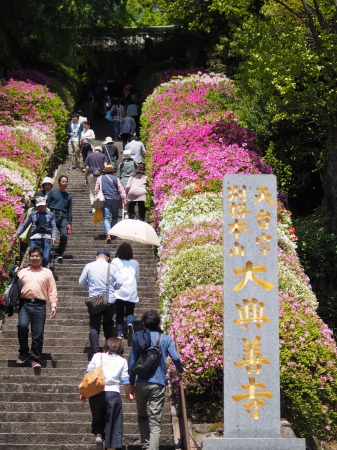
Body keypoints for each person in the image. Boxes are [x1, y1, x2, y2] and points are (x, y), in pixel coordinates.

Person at [128, 310, 184, 450]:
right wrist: (181, 370)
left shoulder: (136, 338)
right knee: (155, 420)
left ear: (143, 324)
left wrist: (131, 384)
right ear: (158, 323)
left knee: (142, 416)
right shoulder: (166, 339)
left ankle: (146, 446)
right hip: (158, 383)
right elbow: (176, 358)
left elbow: (131, 363)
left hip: (141, 383)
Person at [80, 337, 133, 450]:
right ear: (120, 347)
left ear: (106, 345)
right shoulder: (122, 361)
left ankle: (98, 434)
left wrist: (84, 392)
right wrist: (128, 394)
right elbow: (125, 380)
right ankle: (111, 447)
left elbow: (88, 374)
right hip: (113, 394)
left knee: (97, 416)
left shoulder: (97, 356)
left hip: (96, 393)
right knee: (113, 423)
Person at [16, 246, 57, 368]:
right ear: (29, 258)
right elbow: (14, 288)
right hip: (25, 304)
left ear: (41, 258)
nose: (34, 258)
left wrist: (53, 305)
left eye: (37, 256)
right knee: (22, 326)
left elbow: (52, 290)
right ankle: (23, 353)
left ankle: (35, 358)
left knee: (38, 334)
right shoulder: (22, 272)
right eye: (32, 256)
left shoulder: (47, 272)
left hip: (40, 305)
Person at [79, 249, 116, 358]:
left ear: (97, 257)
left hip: (95, 301)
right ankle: (110, 349)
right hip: (109, 300)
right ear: (108, 258)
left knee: (94, 326)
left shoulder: (89, 266)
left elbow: (81, 283)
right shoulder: (112, 267)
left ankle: (95, 352)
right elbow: (119, 284)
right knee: (108, 323)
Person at [14, 197, 57, 267]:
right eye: (39, 206)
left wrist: (54, 236)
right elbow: (24, 225)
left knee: (45, 258)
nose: (41, 207)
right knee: (33, 258)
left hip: (46, 238)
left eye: (42, 205)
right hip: (34, 238)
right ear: (37, 205)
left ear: (45, 204)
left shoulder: (51, 215)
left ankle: (44, 274)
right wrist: (17, 234)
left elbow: (53, 227)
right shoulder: (32, 214)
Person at [111, 243, 140, 343]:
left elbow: (112, 275)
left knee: (119, 313)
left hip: (119, 290)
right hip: (131, 290)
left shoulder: (115, 261)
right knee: (130, 311)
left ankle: (119, 333)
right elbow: (137, 277)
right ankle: (130, 323)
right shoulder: (135, 263)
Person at [94, 166, 126, 243]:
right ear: (113, 171)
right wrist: (124, 199)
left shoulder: (100, 178)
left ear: (105, 171)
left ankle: (108, 234)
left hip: (105, 200)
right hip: (115, 199)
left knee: (106, 218)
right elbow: (121, 189)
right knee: (115, 217)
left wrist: (98, 196)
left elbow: (96, 190)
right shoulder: (116, 179)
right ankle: (113, 233)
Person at [47, 175, 73, 263]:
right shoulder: (52, 192)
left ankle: (59, 252)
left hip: (63, 217)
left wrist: (70, 222)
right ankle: (48, 251)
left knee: (64, 235)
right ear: (59, 183)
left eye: (66, 182)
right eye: (63, 181)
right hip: (53, 214)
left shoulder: (68, 196)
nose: (64, 183)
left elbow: (69, 210)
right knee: (49, 234)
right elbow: (47, 204)